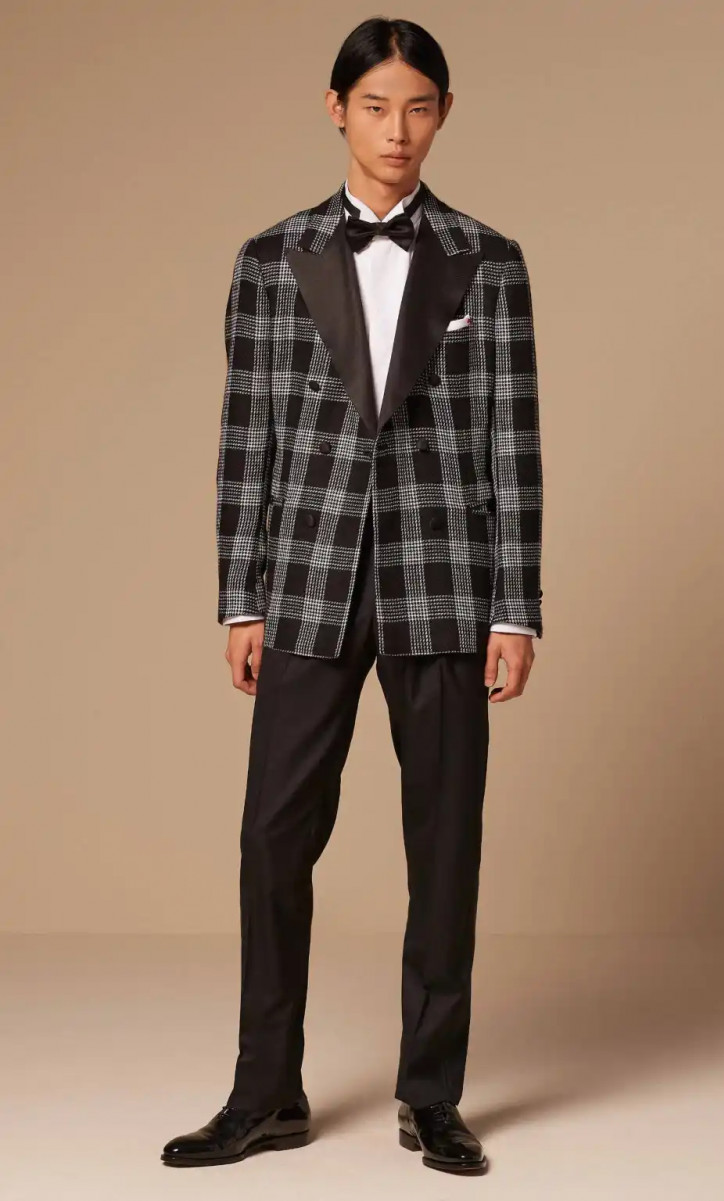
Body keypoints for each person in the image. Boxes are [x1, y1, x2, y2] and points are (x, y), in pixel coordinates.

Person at [161, 15, 543, 1176]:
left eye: (417, 106)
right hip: (308, 578)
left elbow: (512, 443)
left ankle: (432, 1095)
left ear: (442, 114)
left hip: (444, 580)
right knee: (273, 838)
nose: (396, 129)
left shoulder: (488, 260)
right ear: (336, 110)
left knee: (445, 843)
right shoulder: (268, 259)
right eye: (375, 106)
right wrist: (240, 598)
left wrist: (514, 606)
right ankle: (264, 1092)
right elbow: (247, 438)